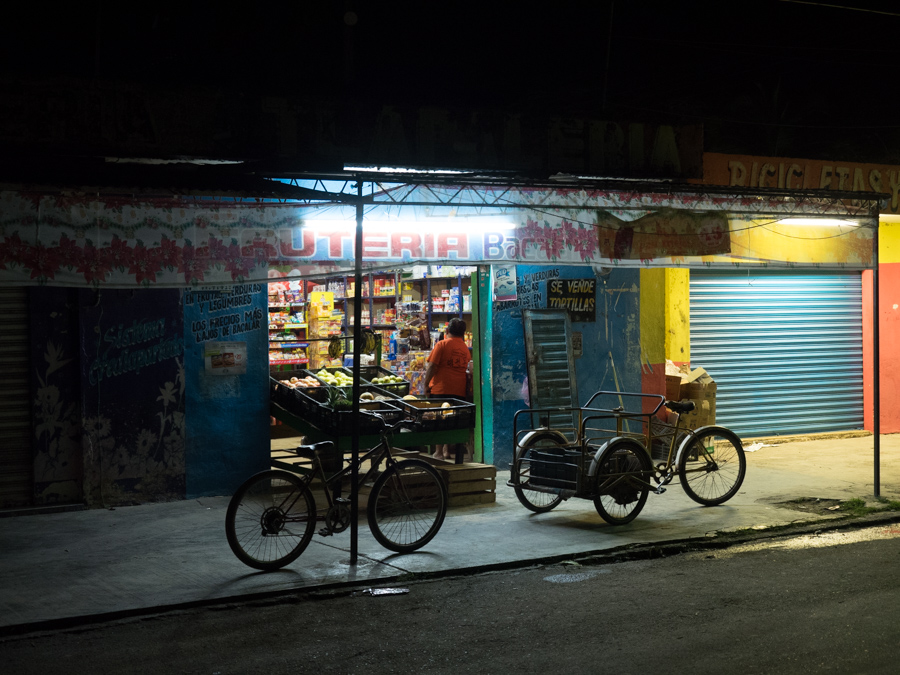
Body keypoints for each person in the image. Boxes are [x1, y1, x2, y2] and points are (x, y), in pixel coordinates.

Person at [424, 317, 471, 461]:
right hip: (459, 391)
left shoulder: (442, 345)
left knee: (439, 420)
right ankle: (446, 450)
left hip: (441, 389)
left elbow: (432, 366)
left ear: (447, 330)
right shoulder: (465, 348)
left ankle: (438, 452)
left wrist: (425, 384)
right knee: (451, 421)